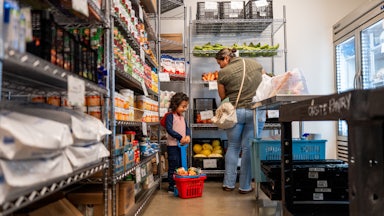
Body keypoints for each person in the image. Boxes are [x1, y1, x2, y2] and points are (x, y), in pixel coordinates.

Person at [215, 48, 265, 194]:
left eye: (220, 63)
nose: (220, 67)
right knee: (248, 148)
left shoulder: (223, 73)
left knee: (233, 146)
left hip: (235, 112)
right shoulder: (256, 64)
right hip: (255, 110)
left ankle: (228, 184)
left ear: (226, 58)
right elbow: (267, 82)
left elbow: (223, 97)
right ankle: (245, 186)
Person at [164, 92, 191, 193]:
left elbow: (186, 128)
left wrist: (187, 135)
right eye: (183, 106)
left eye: (186, 106)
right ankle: (172, 186)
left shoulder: (182, 117)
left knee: (182, 165)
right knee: (173, 165)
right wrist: (180, 137)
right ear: (175, 104)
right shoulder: (170, 116)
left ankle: (180, 184)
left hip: (182, 146)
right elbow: (169, 130)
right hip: (173, 146)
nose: (185, 109)